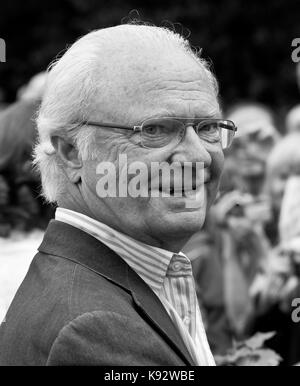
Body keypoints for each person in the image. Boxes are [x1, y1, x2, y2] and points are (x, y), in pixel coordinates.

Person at [0, 24, 236, 366]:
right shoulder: (94, 331)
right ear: (71, 152)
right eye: (155, 130)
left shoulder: (100, 283)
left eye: (208, 127)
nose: (198, 156)